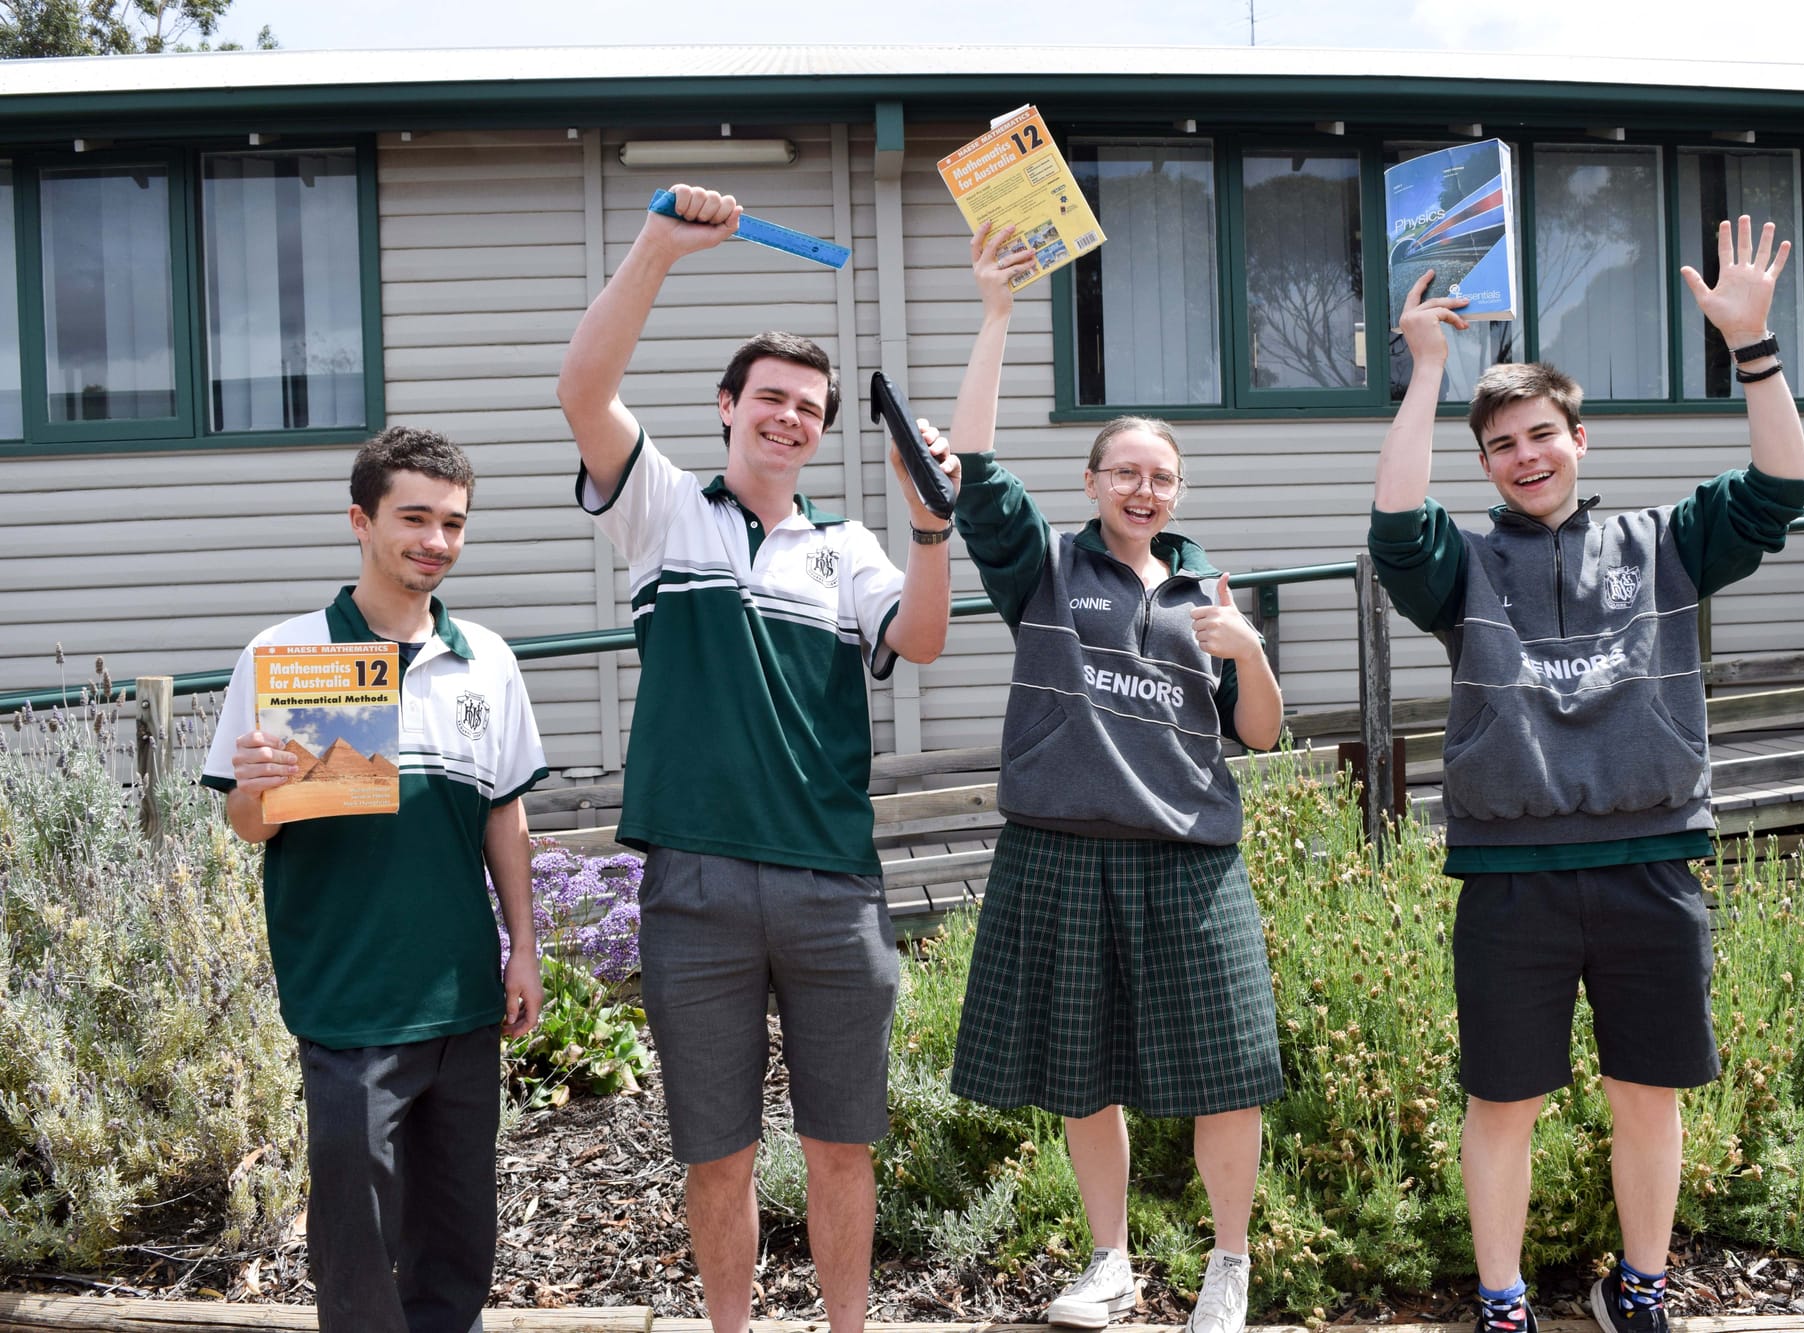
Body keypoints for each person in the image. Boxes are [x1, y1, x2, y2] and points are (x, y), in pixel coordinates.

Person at [1367, 216, 1804, 1333]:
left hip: (1648, 862)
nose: (1524, 455)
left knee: (1643, 1095)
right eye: (1502, 443)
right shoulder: (1458, 569)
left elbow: (1779, 487)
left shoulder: (1667, 542)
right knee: (1500, 1102)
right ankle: (1502, 1299)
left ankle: (1640, 1288)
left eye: (1540, 434)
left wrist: (1750, 348)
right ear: (1484, 463)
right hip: (1510, 875)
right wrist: (1426, 370)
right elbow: (1390, 525)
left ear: (1579, 438)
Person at [555, 183, 958, 1333]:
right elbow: (581, 388)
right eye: (770, 398)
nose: (789, 418)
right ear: (726, 406)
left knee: (841, 1148)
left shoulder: (849, 545)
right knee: (717, 1156)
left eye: (810, 407)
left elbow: (921, 637)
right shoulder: (663, 513)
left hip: (834, 887)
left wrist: (931, 524)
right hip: (697, 885)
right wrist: (659, 249)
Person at [942, 222, 1286, 1333]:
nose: (1143, 488)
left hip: (1190, 856)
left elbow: (1265, 736)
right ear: (1091, 481)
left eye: (1161, 477)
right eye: (1125, 472)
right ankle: (1110, 1261)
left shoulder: (1211, 595)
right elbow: (974, 472)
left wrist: (1250, 654)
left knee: (1227, 1073)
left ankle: (1227, 1268)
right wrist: (996, 311)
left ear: (1177, 493)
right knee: (1080, 1072)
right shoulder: (1041, 568)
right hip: (1059, 845)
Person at [201, 426, 549, 1333]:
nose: (436, 540)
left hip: (463, 1001)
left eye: (453, 523)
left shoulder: (489, 662)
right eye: (415, 518)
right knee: (357, 1257)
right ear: (360, 520)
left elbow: (503, 817)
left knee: (459, 1240)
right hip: (350, 1003)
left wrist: (525, 949)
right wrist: (261, 788)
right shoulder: (288, 657)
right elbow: (244, 826)